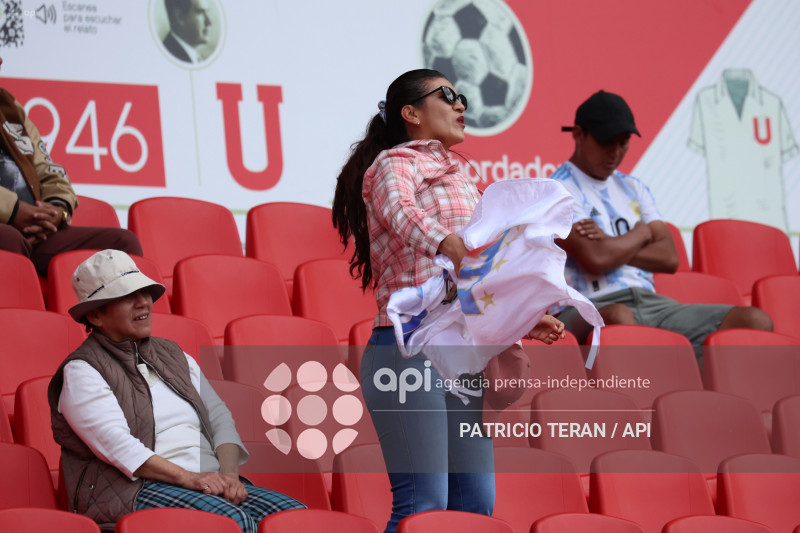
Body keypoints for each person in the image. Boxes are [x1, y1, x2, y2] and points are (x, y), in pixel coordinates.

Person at [332, 69, 565, 533]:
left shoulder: (464, 176)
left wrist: (518, 316)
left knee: (474, 506)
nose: (461, 105)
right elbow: (399, 210)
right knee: (422, 505)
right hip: (408, 349)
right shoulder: (393, 163)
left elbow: (479, 269)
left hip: (461, 354)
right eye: (447, 95)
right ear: (411, 113)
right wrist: (445, 242)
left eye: (462, 98)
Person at [48, 250, 305, 532]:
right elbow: (118, 445)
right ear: (96, 315)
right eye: (127, 296)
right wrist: (189, 478)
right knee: (233, 523)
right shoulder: (82, 370)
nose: (143, 302)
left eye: (144, 292)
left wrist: (230, 475)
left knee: (296, 518)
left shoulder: (174, 354)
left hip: (205, 479)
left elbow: (219, 417)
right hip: (135, 489)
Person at [552, 89, 773, 357]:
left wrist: (611, 245)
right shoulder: (556, 190)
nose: (615, 152)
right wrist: (642, 233)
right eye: (606, 141)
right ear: (578, 134)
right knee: (619, 318)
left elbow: (669, 258)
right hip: (586, 306)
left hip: (651, 303)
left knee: (754, 321)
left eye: (623, 142)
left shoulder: (634, 187)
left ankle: (691, 382)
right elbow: (596, 259)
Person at [0, 57, 142, 276]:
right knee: (9, 239)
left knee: (123, 243)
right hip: (8, 230)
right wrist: (13, 211)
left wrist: (57, 210)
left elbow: (48, 169)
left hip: (35, 231)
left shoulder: (9, 108)